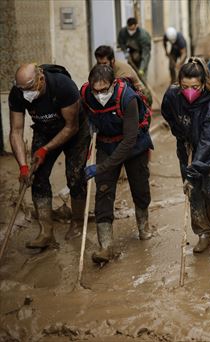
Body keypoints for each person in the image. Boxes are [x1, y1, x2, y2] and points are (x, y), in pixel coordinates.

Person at [9, 64, 90, 248]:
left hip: (75, 131)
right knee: (37, 177)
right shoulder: (18, 93)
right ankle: (46, 232)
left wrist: (45, 150)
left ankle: (77, 223)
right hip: (44, 130)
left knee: (75, 176)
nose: (26, 94)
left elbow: (71, 127)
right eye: (22, 90)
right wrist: (23, 167)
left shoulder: (63, 86)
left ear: (41, 79)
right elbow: (16, 131)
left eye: (29, 89)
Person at [80, 64, 153, 264]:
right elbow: (85, 116)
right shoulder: (86, 94)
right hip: (105, 144)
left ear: (113, 84)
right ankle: (106, 246)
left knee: (140, 188)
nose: (99, 95)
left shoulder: (127, 98)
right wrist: (91, 124)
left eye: (104, 90)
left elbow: (129, 141)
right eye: (96, 91)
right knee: (103, 190)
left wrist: (101, 167)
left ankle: (144, 227)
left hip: (133, 146)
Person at [161, 58, 210, 253]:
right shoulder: (172, 95)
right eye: (184, 86)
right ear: (179, 83)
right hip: (187, 147)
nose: (189, 91)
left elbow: (209, 140)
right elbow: (168, 114)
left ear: (203, 83)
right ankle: (203, 233)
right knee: (194, 193)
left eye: (194, 86)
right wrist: (181, 134)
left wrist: (193, 171)